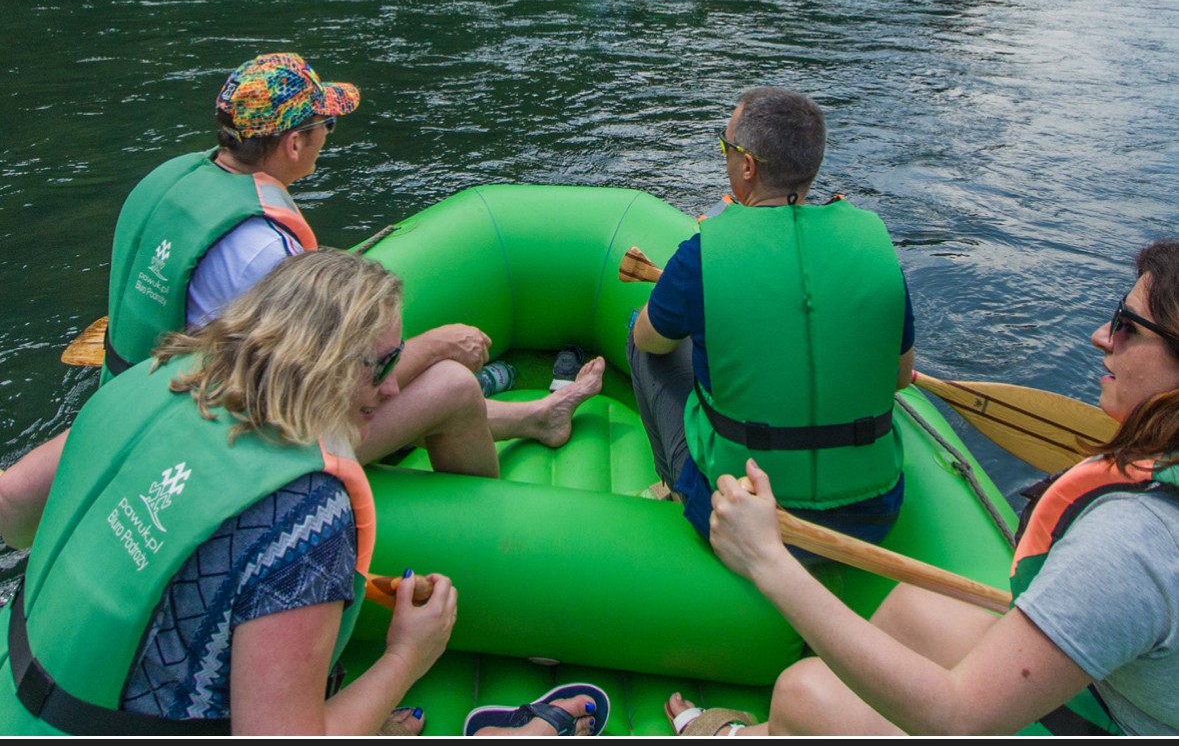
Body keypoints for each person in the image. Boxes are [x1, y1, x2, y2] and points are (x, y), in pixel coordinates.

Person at [0, 53, 605, 547]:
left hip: (149, 401)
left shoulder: (175, 185)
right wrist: (436, 346)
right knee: (453, 384)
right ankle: (494, 549)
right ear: (293, 144)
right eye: (324, 128)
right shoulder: (266, 254)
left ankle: (532, 417)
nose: (325, 139)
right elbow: (335, 397)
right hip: (244, 444)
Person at [0, 248, 604, 736]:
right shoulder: (304, 515)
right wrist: (405, 658)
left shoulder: (153, 383)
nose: (393, 389)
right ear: (322, 367)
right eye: (380, 364)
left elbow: (14, 515)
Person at [667, 240, 1179, 737]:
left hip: (1106, 722)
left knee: (805, 693)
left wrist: (767, 559)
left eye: (1128, 326)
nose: (1101, 336)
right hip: (1116, 692)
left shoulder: (1133, 541)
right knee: (914, 611)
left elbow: (957, 717)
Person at [627, 87, 915, 547]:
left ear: (746, 166)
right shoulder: (874, 246)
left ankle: (678, 486)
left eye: (725, 147)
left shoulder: (703, 254)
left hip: (742, 513)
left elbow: (649, 340)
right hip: (873, 514)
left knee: (637, 335)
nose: (724, 158)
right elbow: (900, 378)